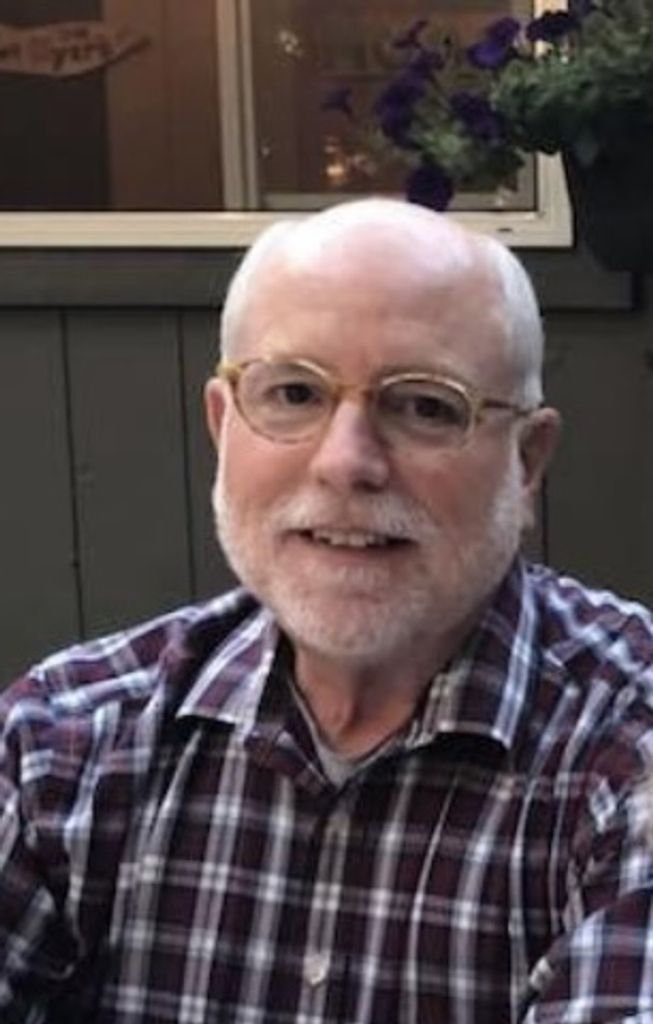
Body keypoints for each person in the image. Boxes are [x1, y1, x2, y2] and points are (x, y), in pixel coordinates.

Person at [1, 197, 653, 1024]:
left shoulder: (627, 750)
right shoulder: (62, 743)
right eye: (294, 392)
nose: (346, 462)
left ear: (525, 463)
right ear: (222, 426)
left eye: (425, 405)